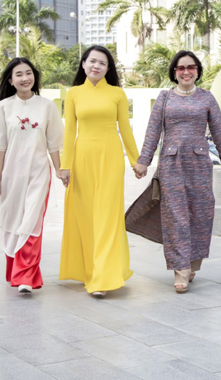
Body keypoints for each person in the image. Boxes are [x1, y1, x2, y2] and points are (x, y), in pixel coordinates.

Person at [133, 50, 221, 293]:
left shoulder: (207, 98)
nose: (186, 71)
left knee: (201, 213)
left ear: (197, 71)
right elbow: (153, 131)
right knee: (175, 216)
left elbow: (219, 131)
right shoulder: (165, 98)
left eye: (191, 67)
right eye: (181, 68)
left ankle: (191, 265)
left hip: (200, 165)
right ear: (174, 72)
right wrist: (144, 161)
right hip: (171, 165)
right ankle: (180, 269)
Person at [58, 46, 140, 296]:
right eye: (92, 61)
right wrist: (65, 165)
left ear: (108, 68)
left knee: (107, 216)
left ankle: (103, 279)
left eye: (102, 63)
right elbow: (70, 131)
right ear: (83, 64)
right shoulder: (73, 94)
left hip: (110, 158)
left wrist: (136, 161)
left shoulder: (117, 93)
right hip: (82, 159)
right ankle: (91, 272)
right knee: (86, 217)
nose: (96, 66)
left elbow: (125, 129)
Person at [0, 58, 64, 293]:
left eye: (29, 73)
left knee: (31, 223)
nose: (25, 78)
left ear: (34, 77)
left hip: (39, 172)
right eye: (19, 74)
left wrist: (59, 169)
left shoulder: (47, 106)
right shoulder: (3, 108)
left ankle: (25, 277)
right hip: (11, 175)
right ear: (11, 80)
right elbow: (0, 146)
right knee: (13, 222)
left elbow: (54, 144)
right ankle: (15, 271)